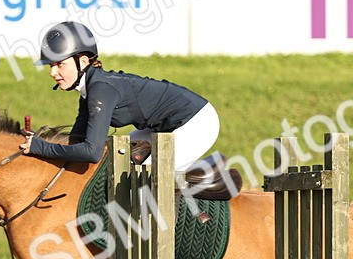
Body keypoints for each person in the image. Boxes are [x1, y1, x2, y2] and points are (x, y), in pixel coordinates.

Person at [22, 22, 221, 172]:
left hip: (197, 123)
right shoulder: (89, 88)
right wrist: (40, 142)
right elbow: (77, 142)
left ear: (82, 61)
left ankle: (179, 222)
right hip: (165, 126)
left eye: (59, 65)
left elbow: (91, 152)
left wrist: (40, 147)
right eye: (51, 66)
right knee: (117, 160)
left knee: (148, 180)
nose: (52, 72)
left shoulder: (100, 90)